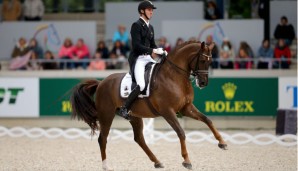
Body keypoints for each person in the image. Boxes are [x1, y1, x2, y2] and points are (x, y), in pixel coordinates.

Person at [117, 1, 167, 120]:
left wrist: (160, 51)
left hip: (148, 58)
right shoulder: (136, 25)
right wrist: (153, 51)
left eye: (152, 10)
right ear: (142, 11)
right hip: (139, 59)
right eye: (149, 10)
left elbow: (153, 44)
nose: (151, 12)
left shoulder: (151, 27)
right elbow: (137, 46)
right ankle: (124, 108)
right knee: (141, 84)